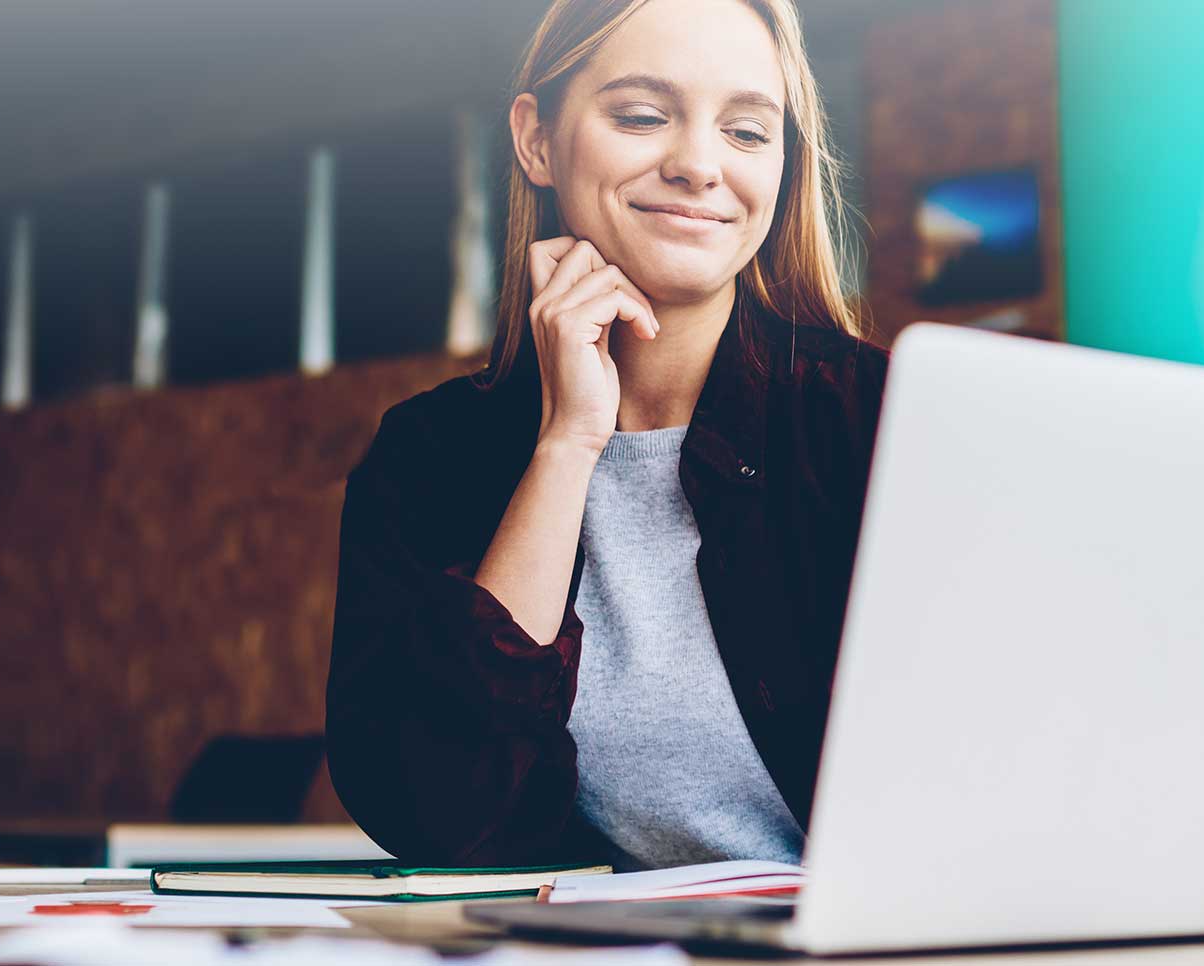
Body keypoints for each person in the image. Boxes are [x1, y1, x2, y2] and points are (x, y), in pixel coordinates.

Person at [327, 0, 886, 870]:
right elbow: (436, 814)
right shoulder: (430, 456)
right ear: (537, 139)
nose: (700, 166)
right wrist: (566, 446)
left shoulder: (873, 423)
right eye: (641, 116)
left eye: (746, 131)